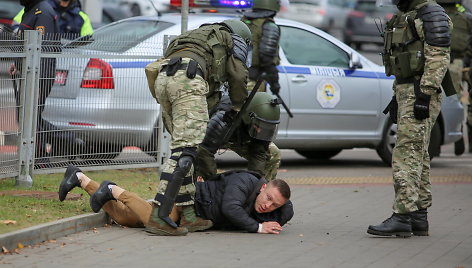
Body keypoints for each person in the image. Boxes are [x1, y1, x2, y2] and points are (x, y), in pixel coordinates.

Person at [144, 19, 252, 235]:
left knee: (185, 151)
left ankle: (189, 215)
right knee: (185, 153)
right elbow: (239, 77)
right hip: (188, 79)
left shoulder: (197, 36)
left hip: (164, 78)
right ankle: (158, 216)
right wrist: (240, 106)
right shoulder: (232, 39)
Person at [368, 0, 452, 237]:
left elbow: (438, 58)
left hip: (418, 92)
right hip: (408, 90)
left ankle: (402, 216)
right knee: (418, 154)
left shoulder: (431, 13)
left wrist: (424, 95)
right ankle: (418, 216)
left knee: (406, 153)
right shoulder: (412, 14)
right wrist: (398, 96)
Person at [58, 165, 294, 235]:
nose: (268, 206)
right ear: (263, 187)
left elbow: (287, 210)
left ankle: (79, 178)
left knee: (126, 217)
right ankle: (112, 189)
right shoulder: (243, 182)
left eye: (275, 205)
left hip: (192, 216)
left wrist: (281, 213)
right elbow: (230, 208)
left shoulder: (273, 203)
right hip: (184, 203)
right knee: (151, 219)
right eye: (269, 198)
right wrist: (259, 227)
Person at [241, 0, 284, 178]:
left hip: (237, 81)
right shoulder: (269, 26)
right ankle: (258, 183)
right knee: (258, 137)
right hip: (254, 83)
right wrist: (275, 82)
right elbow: (267, 56)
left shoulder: (244, 21)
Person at [196, 92, 281, 181]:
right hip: (212, 135)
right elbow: (204, 151)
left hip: (241, 138)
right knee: (192, 157)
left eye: (265, 127)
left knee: (273, 154)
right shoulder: (224, 117)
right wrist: (213, 183)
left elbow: (258, 154)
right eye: (258, 126)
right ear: (249, 116)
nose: (260, 130)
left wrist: (255, 184)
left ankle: (264, 190)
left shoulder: (262, 126)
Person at [435, 0, 472, 155]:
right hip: (447, 60)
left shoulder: (464, 15)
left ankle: (458, 136)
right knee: (450, 100)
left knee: (452, 100)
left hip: (457, 61)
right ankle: (455, 136)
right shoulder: (436, 13)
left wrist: (467, 59)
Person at [13, 0, 94, 37]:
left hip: (70, 62)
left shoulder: (81, 16)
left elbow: (88, 39)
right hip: (39, 59)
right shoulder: (41, 7)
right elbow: (17, 24)